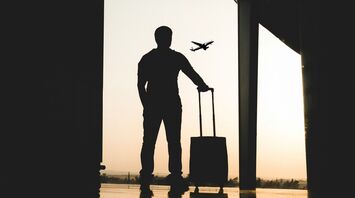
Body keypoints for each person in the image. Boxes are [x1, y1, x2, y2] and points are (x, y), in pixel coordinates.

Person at [137, 26, 210, 195]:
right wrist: (203, 85)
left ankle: (146, 175)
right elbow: (191, 73)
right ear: (168, 38)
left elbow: (141, 85)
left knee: (149, 141)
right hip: (171, 104)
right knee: (174, 141)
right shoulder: (175, 57)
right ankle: (176, 175)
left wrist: (146, 105)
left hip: (153, 104)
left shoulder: (147, 59)